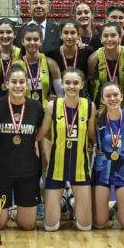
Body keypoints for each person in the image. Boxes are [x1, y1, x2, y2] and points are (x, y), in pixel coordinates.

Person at [38, 68, 94, 231]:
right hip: (57, 168)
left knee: (84, 226)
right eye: (67, 83)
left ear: (82, 85)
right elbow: (43, 132)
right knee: (51, 226)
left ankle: (72, 201)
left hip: (80, 168)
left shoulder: (89, 106)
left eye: (76, 83)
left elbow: (91, 135)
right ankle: (63, 199)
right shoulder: (52, 106)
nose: (71, 86)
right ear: (62, 84)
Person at [0, 66, 43, 232]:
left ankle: (14, 212)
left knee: (28, 225)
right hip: (1, 170)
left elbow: (41, 135)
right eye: (14, 82)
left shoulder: (36, 107)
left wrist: (44, 158)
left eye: (21, 82)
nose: (18, 86)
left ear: (27, 84)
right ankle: (1, 213)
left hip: (27, 170)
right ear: (7, 84)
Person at [92, 82, 124, 229]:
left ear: (122, 96)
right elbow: (90, 138)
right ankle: (109, 210)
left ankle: (118, 206)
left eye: (115, 95)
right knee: (100, 223)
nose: (112, 98)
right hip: (103, 168)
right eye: (108, 96)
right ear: (103, 99)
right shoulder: (97, 118)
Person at [87, 23, 124, 103]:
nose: (109, 39)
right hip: (102, 104)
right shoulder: (93, 59)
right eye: (105, 36)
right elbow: (92, 86)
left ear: (120, 38)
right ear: (101, 39)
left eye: (113, 35)